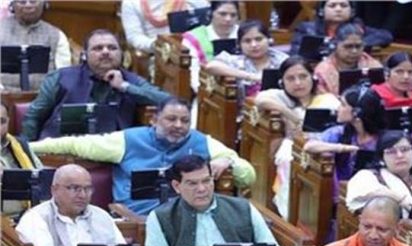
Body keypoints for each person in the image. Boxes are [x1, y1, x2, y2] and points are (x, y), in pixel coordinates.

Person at [29, 97, 255, 215]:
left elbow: (248, 177)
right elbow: (75, 145)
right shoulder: (128, 140)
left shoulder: (201, 142)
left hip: (185, 220)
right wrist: (27, 147)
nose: (178, 125)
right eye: (171, 119)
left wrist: (230, 161)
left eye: (185, 121)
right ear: (154, 119)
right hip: (135, 220)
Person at [146, 155, 290, 246]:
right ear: (177, 186)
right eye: (192, 183)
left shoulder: (243, 208)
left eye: (206, 181)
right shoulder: (161, 216)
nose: (202, 189)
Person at [20, 29, 171, 141]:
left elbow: (167, 101)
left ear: (122, 54)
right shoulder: (60, 77)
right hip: (60, 150)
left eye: (112, 48)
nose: (105, 52)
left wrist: (125, 87)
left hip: (114, 154)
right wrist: (27, 153)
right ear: (84, 55)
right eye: (98, 48)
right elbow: (33, 116)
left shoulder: (131, 81)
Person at [15, 164, 129, 246]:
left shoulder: (101, 216)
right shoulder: (36, 218)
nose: (82, 195)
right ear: (54, 190)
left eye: (87, 189)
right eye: (74, 188)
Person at [255, 56, 340, 218]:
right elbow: (261, 100)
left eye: (303, 76)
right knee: (287, 157)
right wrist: (291, 115)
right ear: (282, 82)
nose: (298, 83)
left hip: (324, 152)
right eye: (291, 78)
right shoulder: (282, 97)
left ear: (312, 77)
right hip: (295, 151)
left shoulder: (327, 100)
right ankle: (291, 213)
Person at [303, 85, 384, 181]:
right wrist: (343, 148)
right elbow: (309, 146)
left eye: (343, 105)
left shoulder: (384, 139)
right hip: (341, 187)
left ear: (357, 113)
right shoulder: (339, 132)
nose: (338, 108)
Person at [206, 19, 288, 99]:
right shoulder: (235, 61)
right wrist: (251, 77)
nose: (254, 45)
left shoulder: (283, 60)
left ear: (269, 40)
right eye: (247, 41)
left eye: (258, 39)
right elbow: (211, 66)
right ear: (239, 44)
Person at [0, 0, 71, 92]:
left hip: (43, 95)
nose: (28, 6)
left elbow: (64, 75)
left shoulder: (56, 35)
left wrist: (46, 96)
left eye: (33, 1)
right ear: (12, 6)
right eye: (22, 2)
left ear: (44, 4)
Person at [289, 0, 393, 55]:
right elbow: (296, 54)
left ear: (352, 12)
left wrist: (356, 43)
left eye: (343, 5)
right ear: (321, 11)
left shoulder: (357, 27)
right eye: (332, 5)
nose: (338, 9)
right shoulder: (306, 29)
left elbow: (386, 36)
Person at [182, 0, 240, 93]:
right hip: (208, 91)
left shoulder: (245, 35)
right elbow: (193, 75)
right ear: (211, 13)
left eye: (233, 15)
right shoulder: (194, 37)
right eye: (223, 14)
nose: (228, 19)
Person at [313, 22, 382, 96]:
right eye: (348, 46)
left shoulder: (373, 65)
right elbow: (322, 99)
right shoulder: (323, 71)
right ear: (335, 45)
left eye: (358, 46)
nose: (354, 51)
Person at [0, 100, 43, 214]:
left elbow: (41, 177)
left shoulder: (20, 145)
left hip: (31, 214)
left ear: (8, 121)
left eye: (2, 122)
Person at [120, 0, 210, 54]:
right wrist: (159, 45)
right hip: (157, 54)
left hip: (197, 53)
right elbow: (134, 37)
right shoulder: (131, 2)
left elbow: (210, 27)